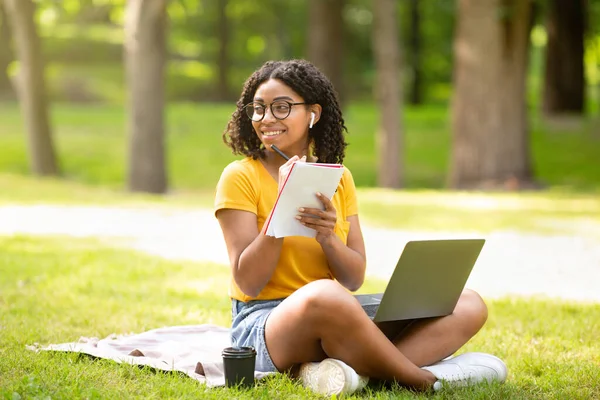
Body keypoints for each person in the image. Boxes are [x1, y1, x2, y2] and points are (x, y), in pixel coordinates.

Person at [214, 59, 507, 396]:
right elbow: (248, 282)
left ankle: (350, 372)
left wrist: (328, 238)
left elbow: (353, 278)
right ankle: (421, 380)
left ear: (313, 114)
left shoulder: (339, 178)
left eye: (281, 108)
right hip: (264, 323)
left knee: (468, 302)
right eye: (259, 109)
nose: (266, 119)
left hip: (340, 312)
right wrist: (283, 209)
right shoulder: (239, 176)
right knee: (324, 296)